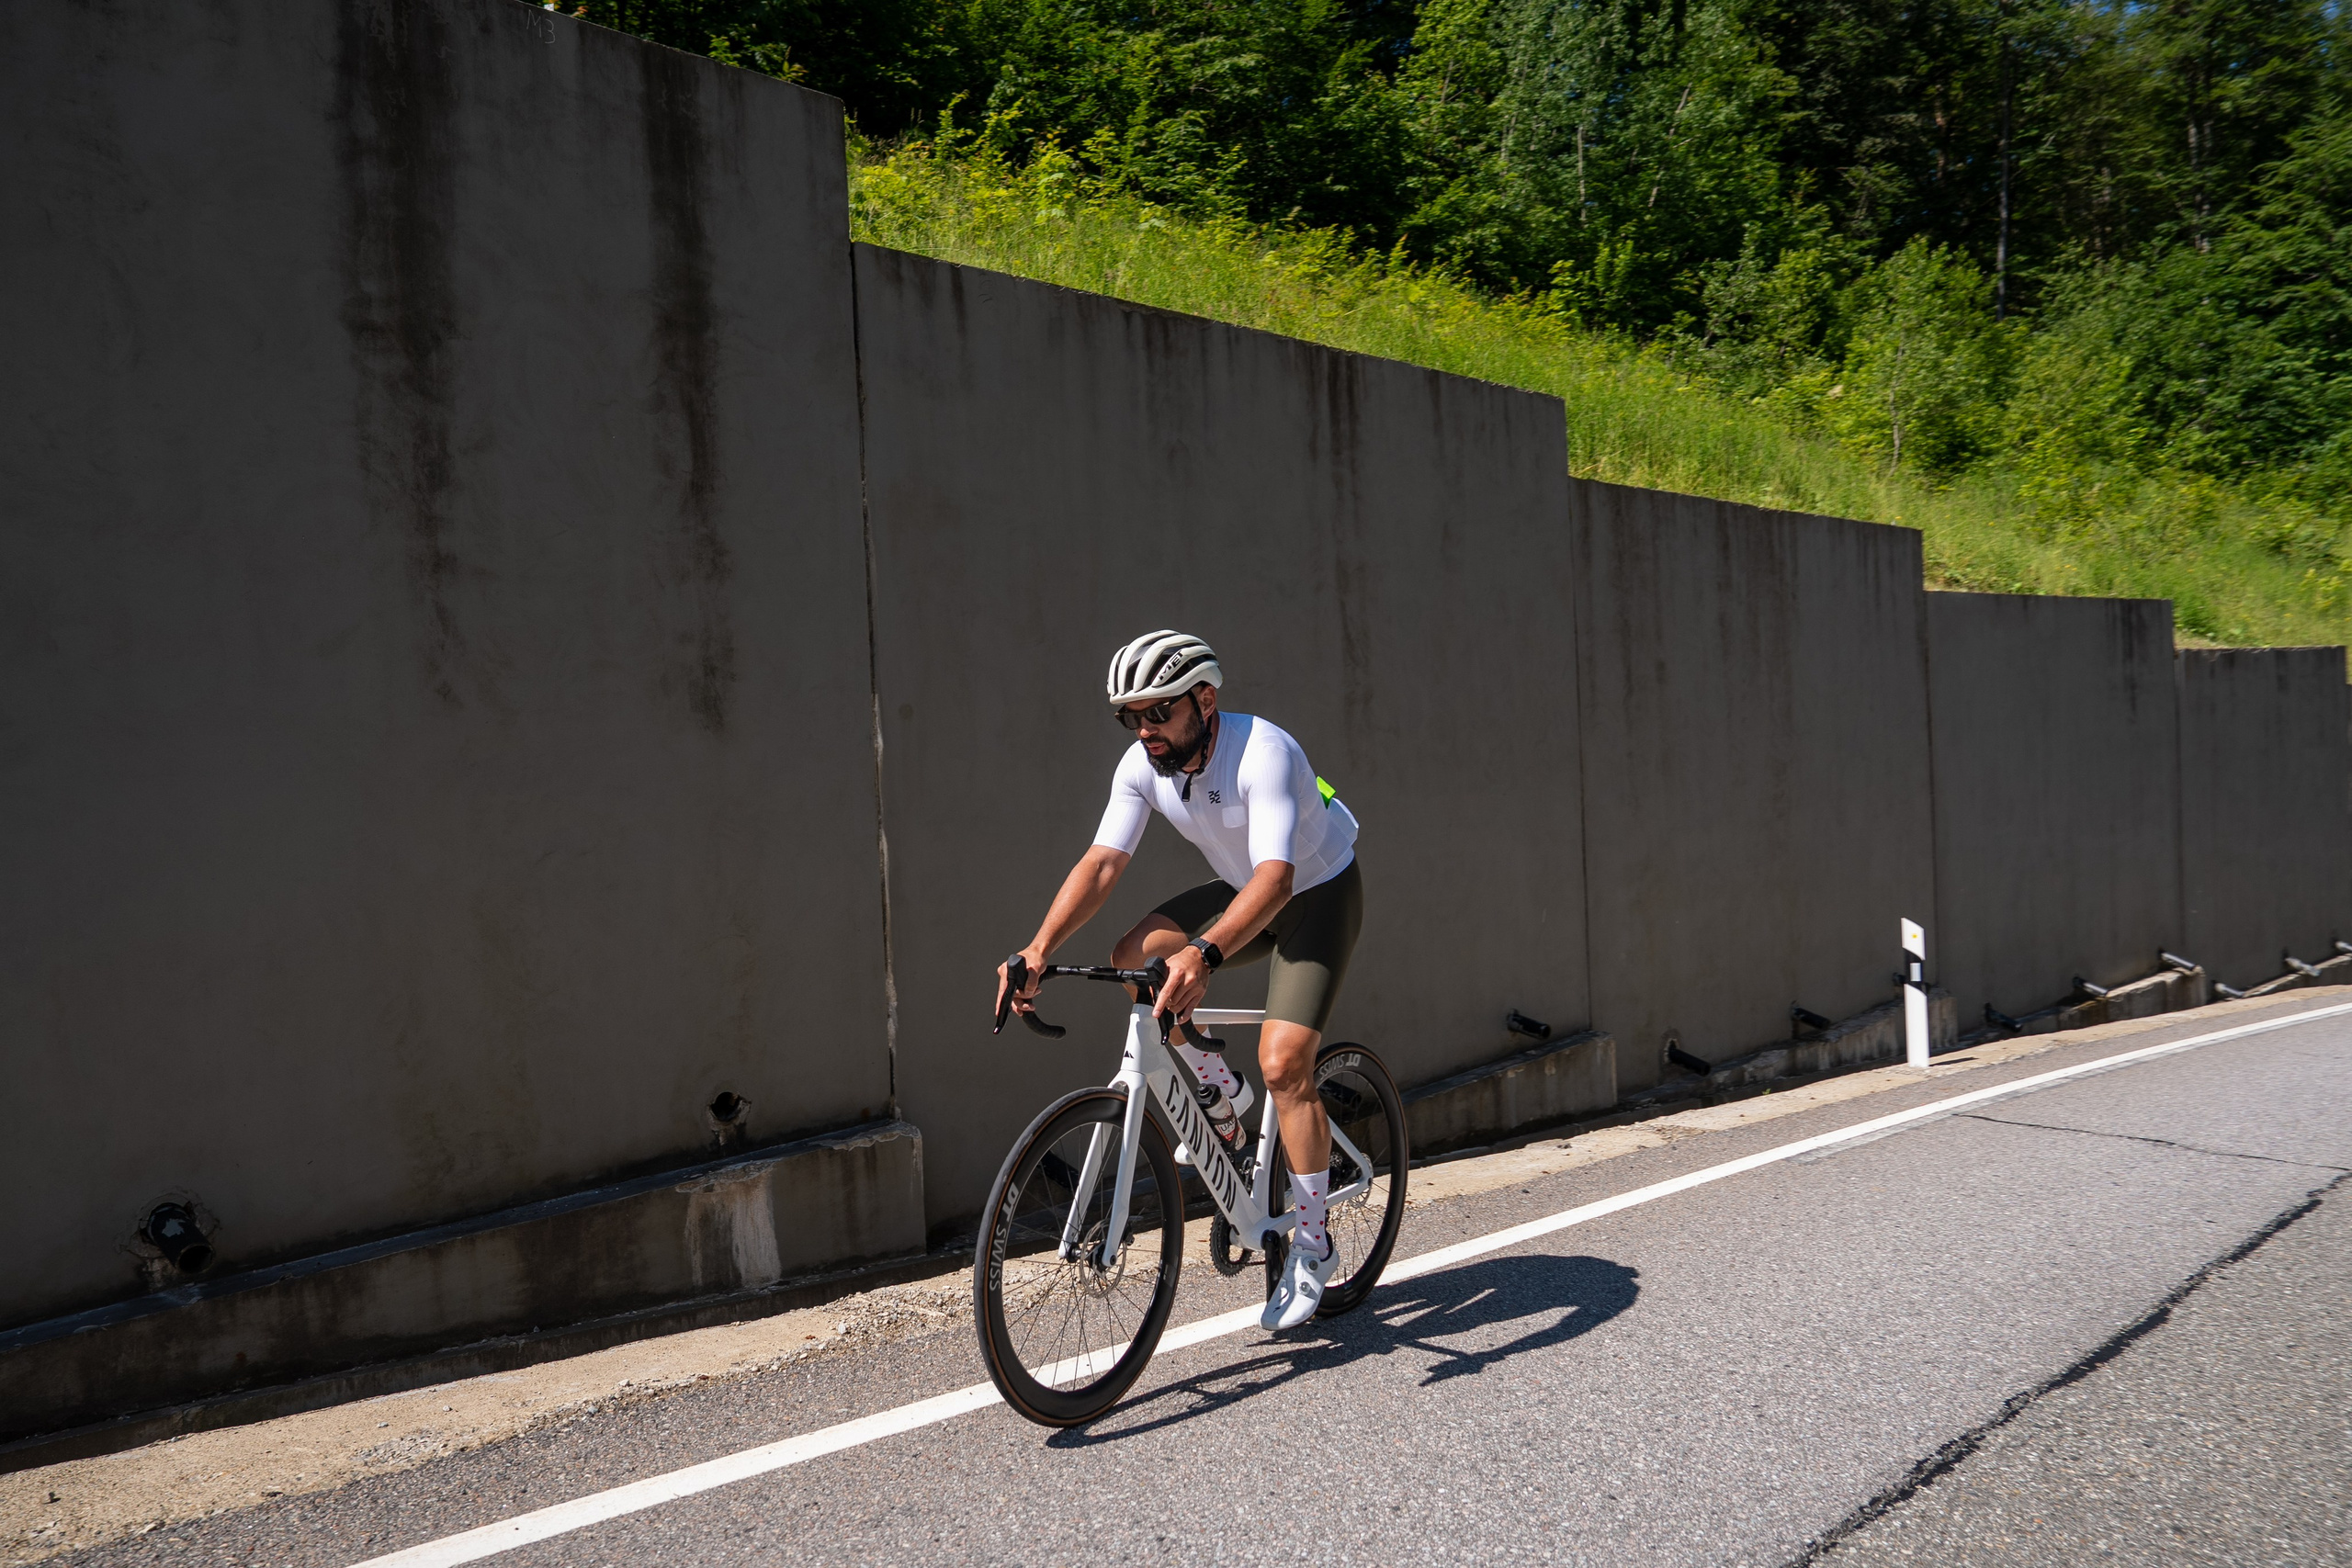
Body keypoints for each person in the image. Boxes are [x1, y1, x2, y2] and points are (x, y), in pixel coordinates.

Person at [994, 630, 1363, 1331]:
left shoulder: (1265, 752)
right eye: (1130, 717)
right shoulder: (1143, 766)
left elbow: (1278, 878)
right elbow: (1103, 863)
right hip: (1243, 892)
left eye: (1157, 712)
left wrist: (1206, 954)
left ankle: (1312, 1247)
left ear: (1205, 698)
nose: (1145, 730)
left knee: (1285, 1065)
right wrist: (1038, 946)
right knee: (1134, 955)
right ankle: (1216, 1088)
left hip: (1315, 895)